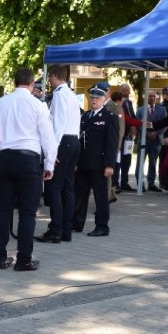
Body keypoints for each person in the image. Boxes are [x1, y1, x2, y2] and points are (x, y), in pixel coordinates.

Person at [0, 68, 58, 271]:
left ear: (14, 82)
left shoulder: (1, 103)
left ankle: (0, 256)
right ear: (31, 84)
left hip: (4, 157)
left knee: (2, 209)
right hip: (28, 160)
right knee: (28, 212)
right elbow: (48, 137)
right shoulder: (38, 105)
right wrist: (50, 164)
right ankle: (23, 259)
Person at [36, 64, 81, 244]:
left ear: (54, 76)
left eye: (49, 78)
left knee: (54, 187)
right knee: (67, 187)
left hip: (63, 141)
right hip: (73, 141)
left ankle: (55, 230)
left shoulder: (60, 94)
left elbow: (58, 125)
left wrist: (51, 150)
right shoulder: (69, 93)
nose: (48, 81)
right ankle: (65, 229)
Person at [72, 86, 119, 236]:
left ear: (104, 99)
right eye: (92, 98)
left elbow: (112, 143)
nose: (93, 100)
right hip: (84, 163)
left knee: (101, 197)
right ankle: (77, 223)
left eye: (97, 98)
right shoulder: (86, 116)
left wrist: (109, 164)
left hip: (99, 164)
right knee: (80, 195)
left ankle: (102, 226)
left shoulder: (109, 116)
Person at [135, 89, 166, 191]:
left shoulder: (162, 110)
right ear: (146, 98)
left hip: (156, 141)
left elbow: (165, 124)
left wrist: (156, 133)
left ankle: (151, 183)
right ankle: (140, 183)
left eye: (154, 96)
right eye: (150, 96)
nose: (152, 98)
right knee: (140, 162)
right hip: (144, 140)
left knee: (153, 163)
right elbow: (138, 124)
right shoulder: (140, 110)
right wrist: (147, 134)